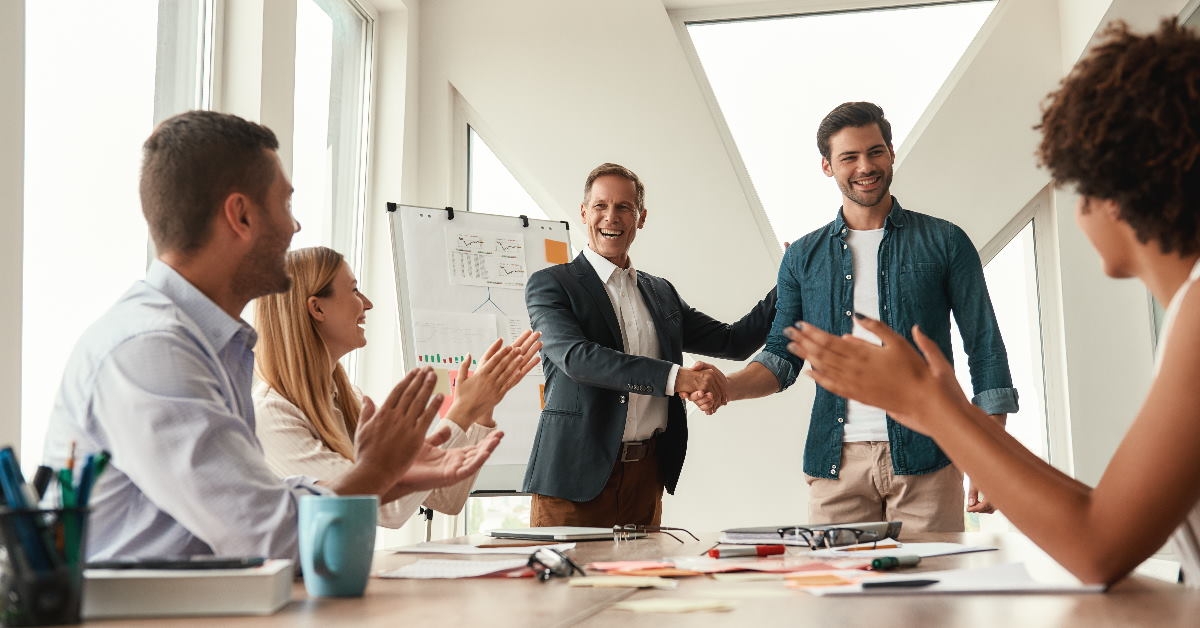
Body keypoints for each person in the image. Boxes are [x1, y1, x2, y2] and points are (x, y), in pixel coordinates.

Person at [786, 18, 1200, 586]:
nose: (1078, 214)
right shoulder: (1189, 314)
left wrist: (929, 406)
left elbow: (1098, 546)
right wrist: (957, 422)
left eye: (1077, 188)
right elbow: (1105, 517)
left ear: (1121, 191)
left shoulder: (1197, 320)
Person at [41, 110, 501, 560]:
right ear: (240, 216)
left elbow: (258, 502)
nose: (293, 226)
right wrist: (374, 474)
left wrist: (384, 477)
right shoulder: (152, 350)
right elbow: (264, 535)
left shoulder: (206, 344)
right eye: (284, 204)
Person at [692, 102, 1018, 533]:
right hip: (836, 464)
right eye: (849, 157)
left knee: (931, 599)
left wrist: (990, 458)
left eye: (875, 151)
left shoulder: (945, 242)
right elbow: (781, 358)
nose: (865, 166)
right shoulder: (802, 258)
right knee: (838, 598)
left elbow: (985, 347)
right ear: (827, 166)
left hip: (929, 458)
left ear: (891, 154)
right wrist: (728, 387)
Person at [523, 162, 777, 527]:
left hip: (645, 476)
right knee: (566, 586)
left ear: (640, 217)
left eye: (624, 207)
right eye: (600, 206)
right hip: (573, 478)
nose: (611, 217)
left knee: (642, 583)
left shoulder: (660, 292)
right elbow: (578, 359)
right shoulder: (551, 285)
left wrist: (790, 281)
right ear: (584, 213)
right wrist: (679, 379)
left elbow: (733, 341)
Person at [252, 246, 541, 527]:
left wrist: (481, 410)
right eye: (353, 290)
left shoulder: (346, 397)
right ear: (317, 308)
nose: (367, 303)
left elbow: (446, 499)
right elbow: (387, 509)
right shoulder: (273, 414)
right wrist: (462, 412)